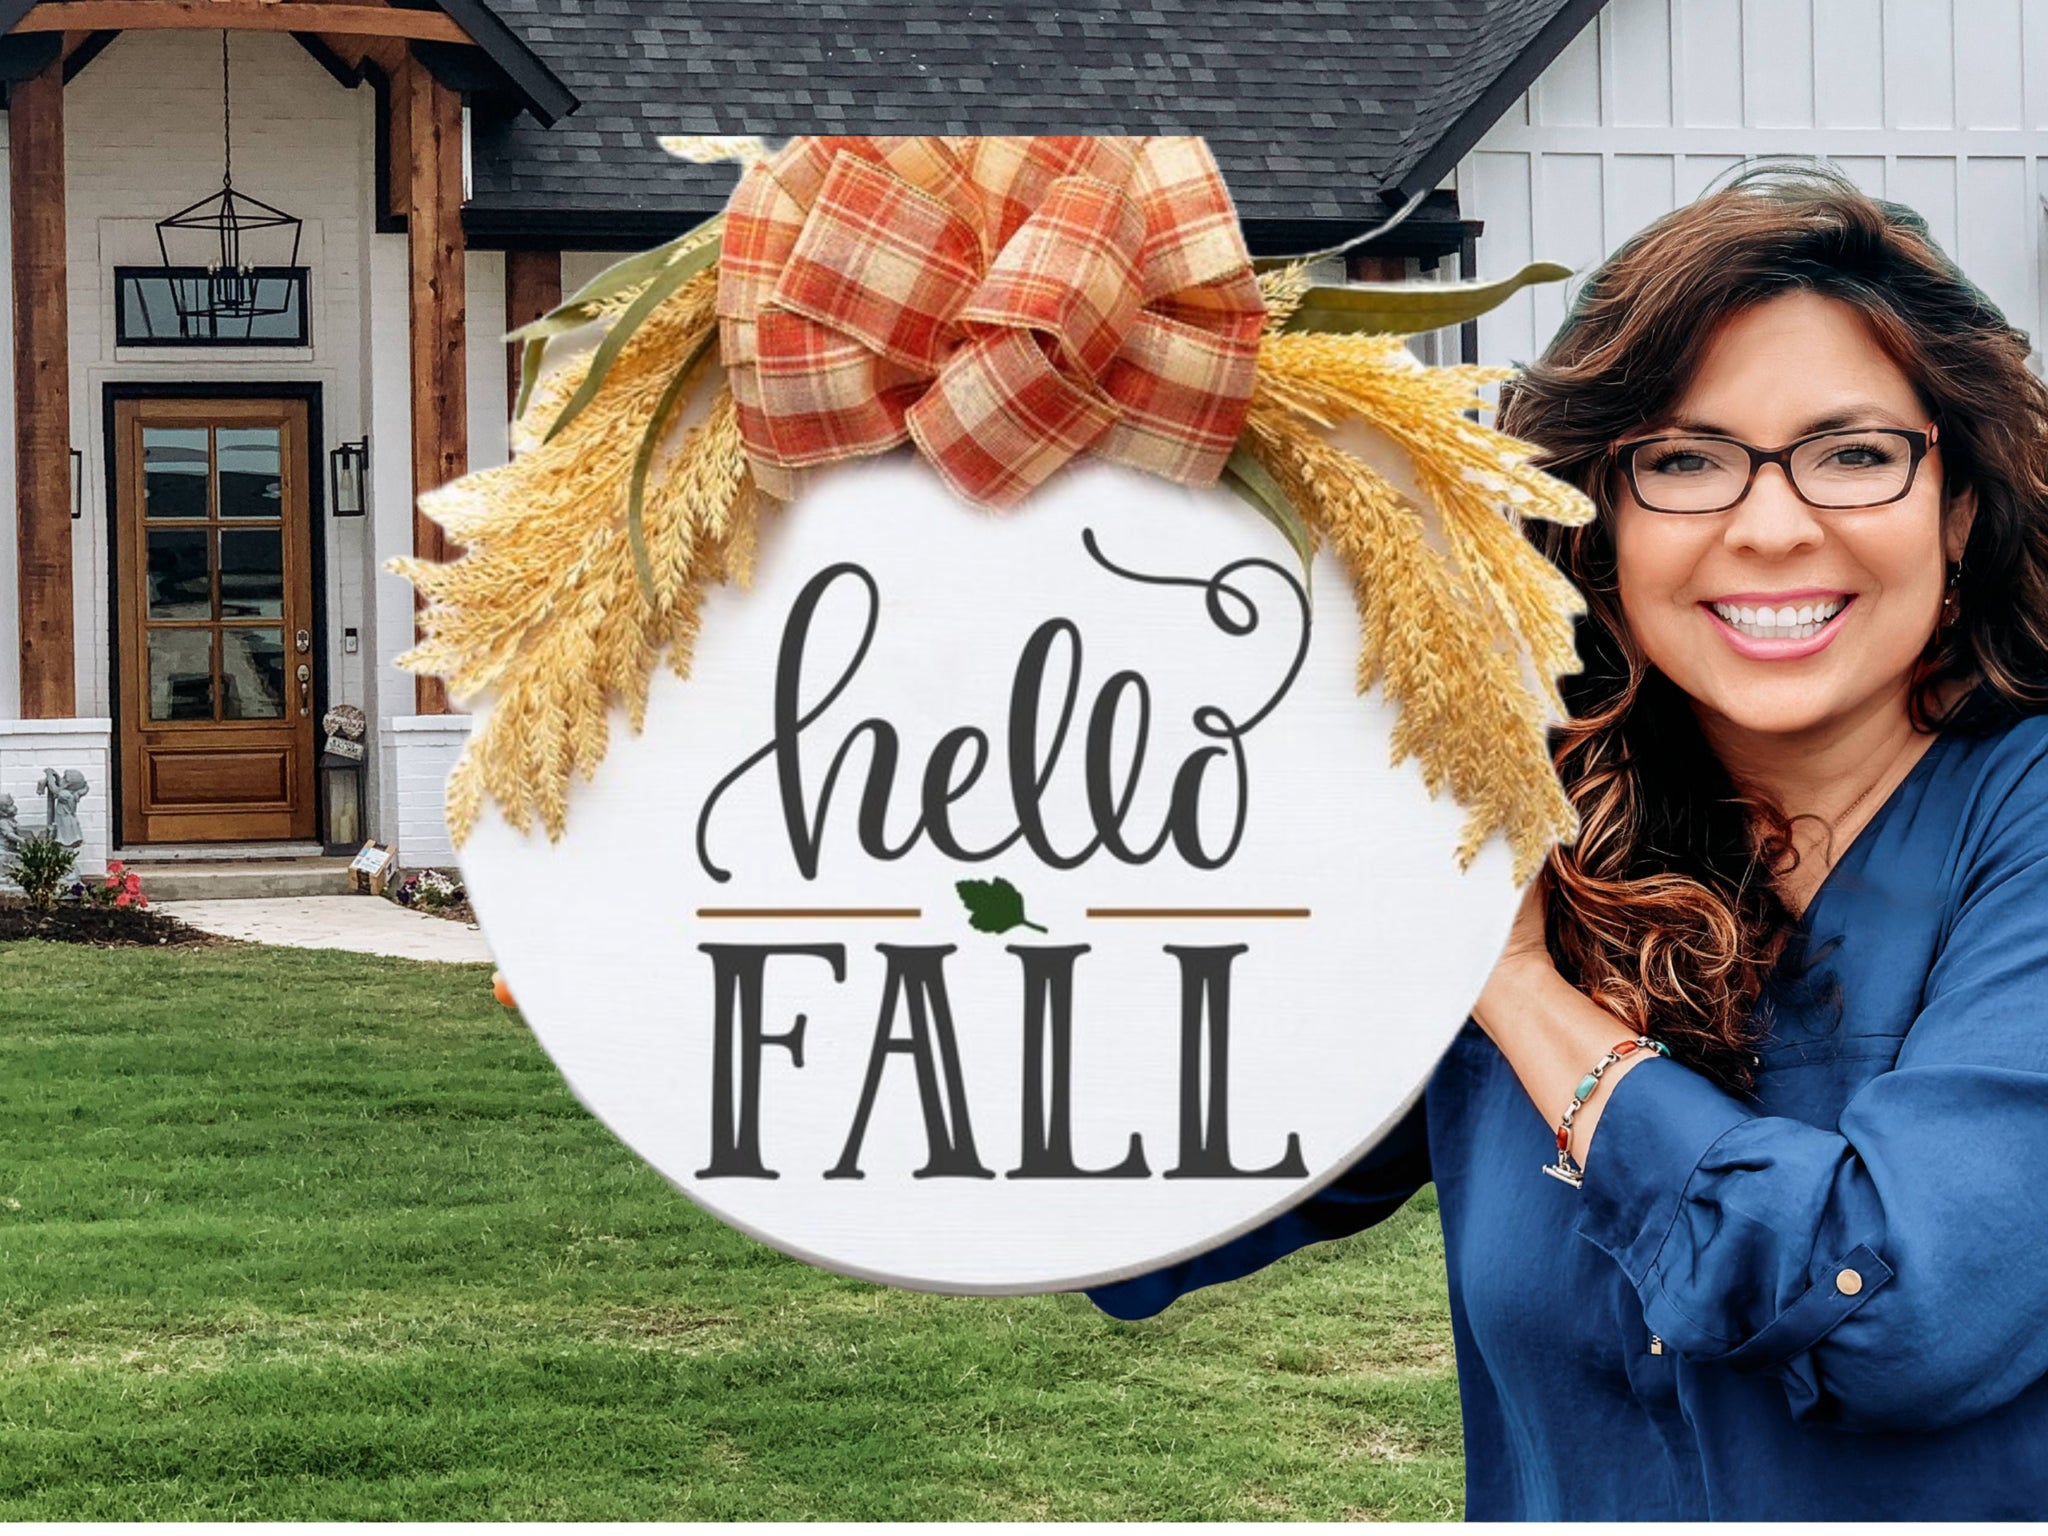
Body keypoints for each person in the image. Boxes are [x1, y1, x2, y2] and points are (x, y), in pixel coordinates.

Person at [1087, 165, 2048, 1520]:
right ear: (1601, 529)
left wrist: (1521, 992)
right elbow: (1132, 1191)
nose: (1773, 526)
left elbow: (1898, 1312)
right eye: (1686, 460)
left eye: (1853, 453)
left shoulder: (2022, 827)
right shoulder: (1529, 827)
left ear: (1958, 511)